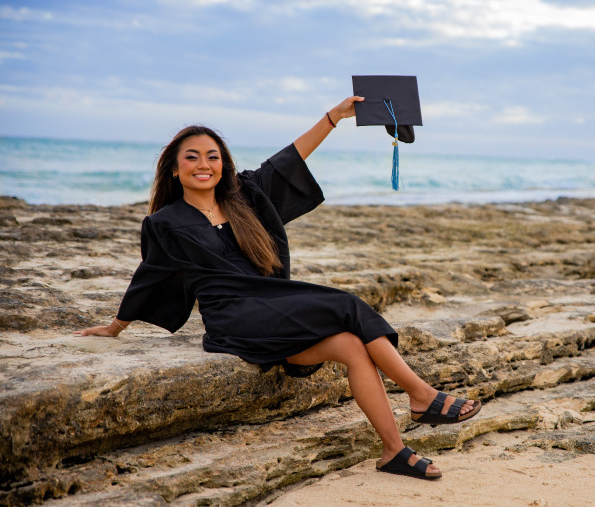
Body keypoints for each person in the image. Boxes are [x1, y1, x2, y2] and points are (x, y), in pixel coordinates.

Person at [73, 96, 481, 480]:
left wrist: (333, 118)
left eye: (212, 156)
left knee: (352, 347)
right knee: (349, 306)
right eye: (192, 157)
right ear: (174, 170)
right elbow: (149, 276)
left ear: (223, 165)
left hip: (273, 306)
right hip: (233, 318)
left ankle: (393, 451)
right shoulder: (165, 222)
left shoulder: (244, 196)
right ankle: (422, 395)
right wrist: (115, 327)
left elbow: (289, 159)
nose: (204, 164)